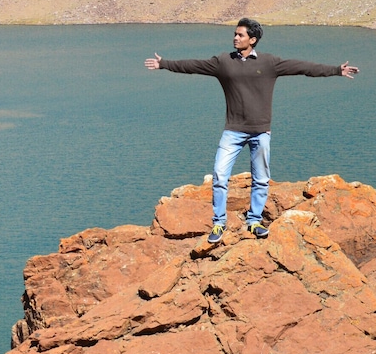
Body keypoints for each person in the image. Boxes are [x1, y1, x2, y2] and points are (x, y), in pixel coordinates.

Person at [144, 18, 358, 243]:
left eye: (240, 35)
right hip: (233, 131)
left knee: (261, 179)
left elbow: (303, 68)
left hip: (260, 131)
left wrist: (336, 70)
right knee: (219, 175)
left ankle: (254, 221)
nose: (235, 38)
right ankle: (219, 223)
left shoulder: (269, 63)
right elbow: (193, 66)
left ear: (252, 40)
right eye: (235, 34)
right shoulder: (223, 62)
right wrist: (164, 64)